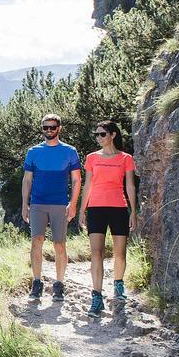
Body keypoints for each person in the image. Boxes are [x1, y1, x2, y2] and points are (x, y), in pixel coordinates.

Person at [78, 120, 138, 315]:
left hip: (119, 208)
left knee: (120, 253)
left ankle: (118, 285)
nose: (99, 138)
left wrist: (133, 211)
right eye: (96, 134)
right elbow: (87, 185)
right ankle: (96, 298)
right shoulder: (92, 158)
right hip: (96, 208)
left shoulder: (125, 158)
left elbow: (130, 186)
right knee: (97, 253)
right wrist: (81, 210)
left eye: (102, 134)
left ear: (113, 135)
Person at [21, 113, 81, 300]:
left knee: (59, 244)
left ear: (59, 128)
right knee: (36, 241)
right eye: (45, 127)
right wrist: (25, 204)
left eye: (52, 127)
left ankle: (59, 284)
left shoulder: (70, 151)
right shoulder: (33, 152)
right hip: (38, 203)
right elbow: (27, 179)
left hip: (59, 204)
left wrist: (73, 204)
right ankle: (37, 283)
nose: (49, 130)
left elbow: (77, 179)